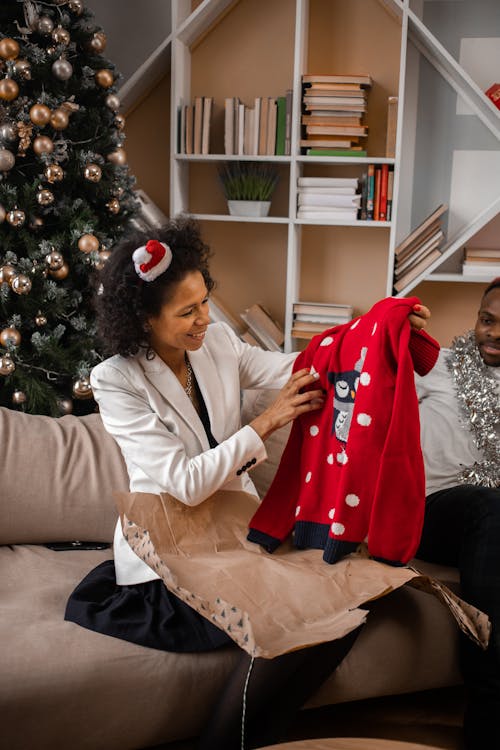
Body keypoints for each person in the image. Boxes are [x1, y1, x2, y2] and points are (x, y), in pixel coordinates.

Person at [65, 216, 432, 750]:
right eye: (186, 311)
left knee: (345, 605)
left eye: (206, 300)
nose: (205, 319)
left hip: (234, 532)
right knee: (308, 617)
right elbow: (183, 484)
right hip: (170, 547)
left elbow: (296, 368)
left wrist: (373, 334)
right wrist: (264, 424)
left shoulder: (215, 341)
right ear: (144, 319)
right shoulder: (114, 380)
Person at [415, 277, 500, 750]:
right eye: (487, 320)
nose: (492, 333)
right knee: (488, 506)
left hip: (490, 518)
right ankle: (488, 706)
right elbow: (368, 376)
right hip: (430, 509)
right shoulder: (440, 367)